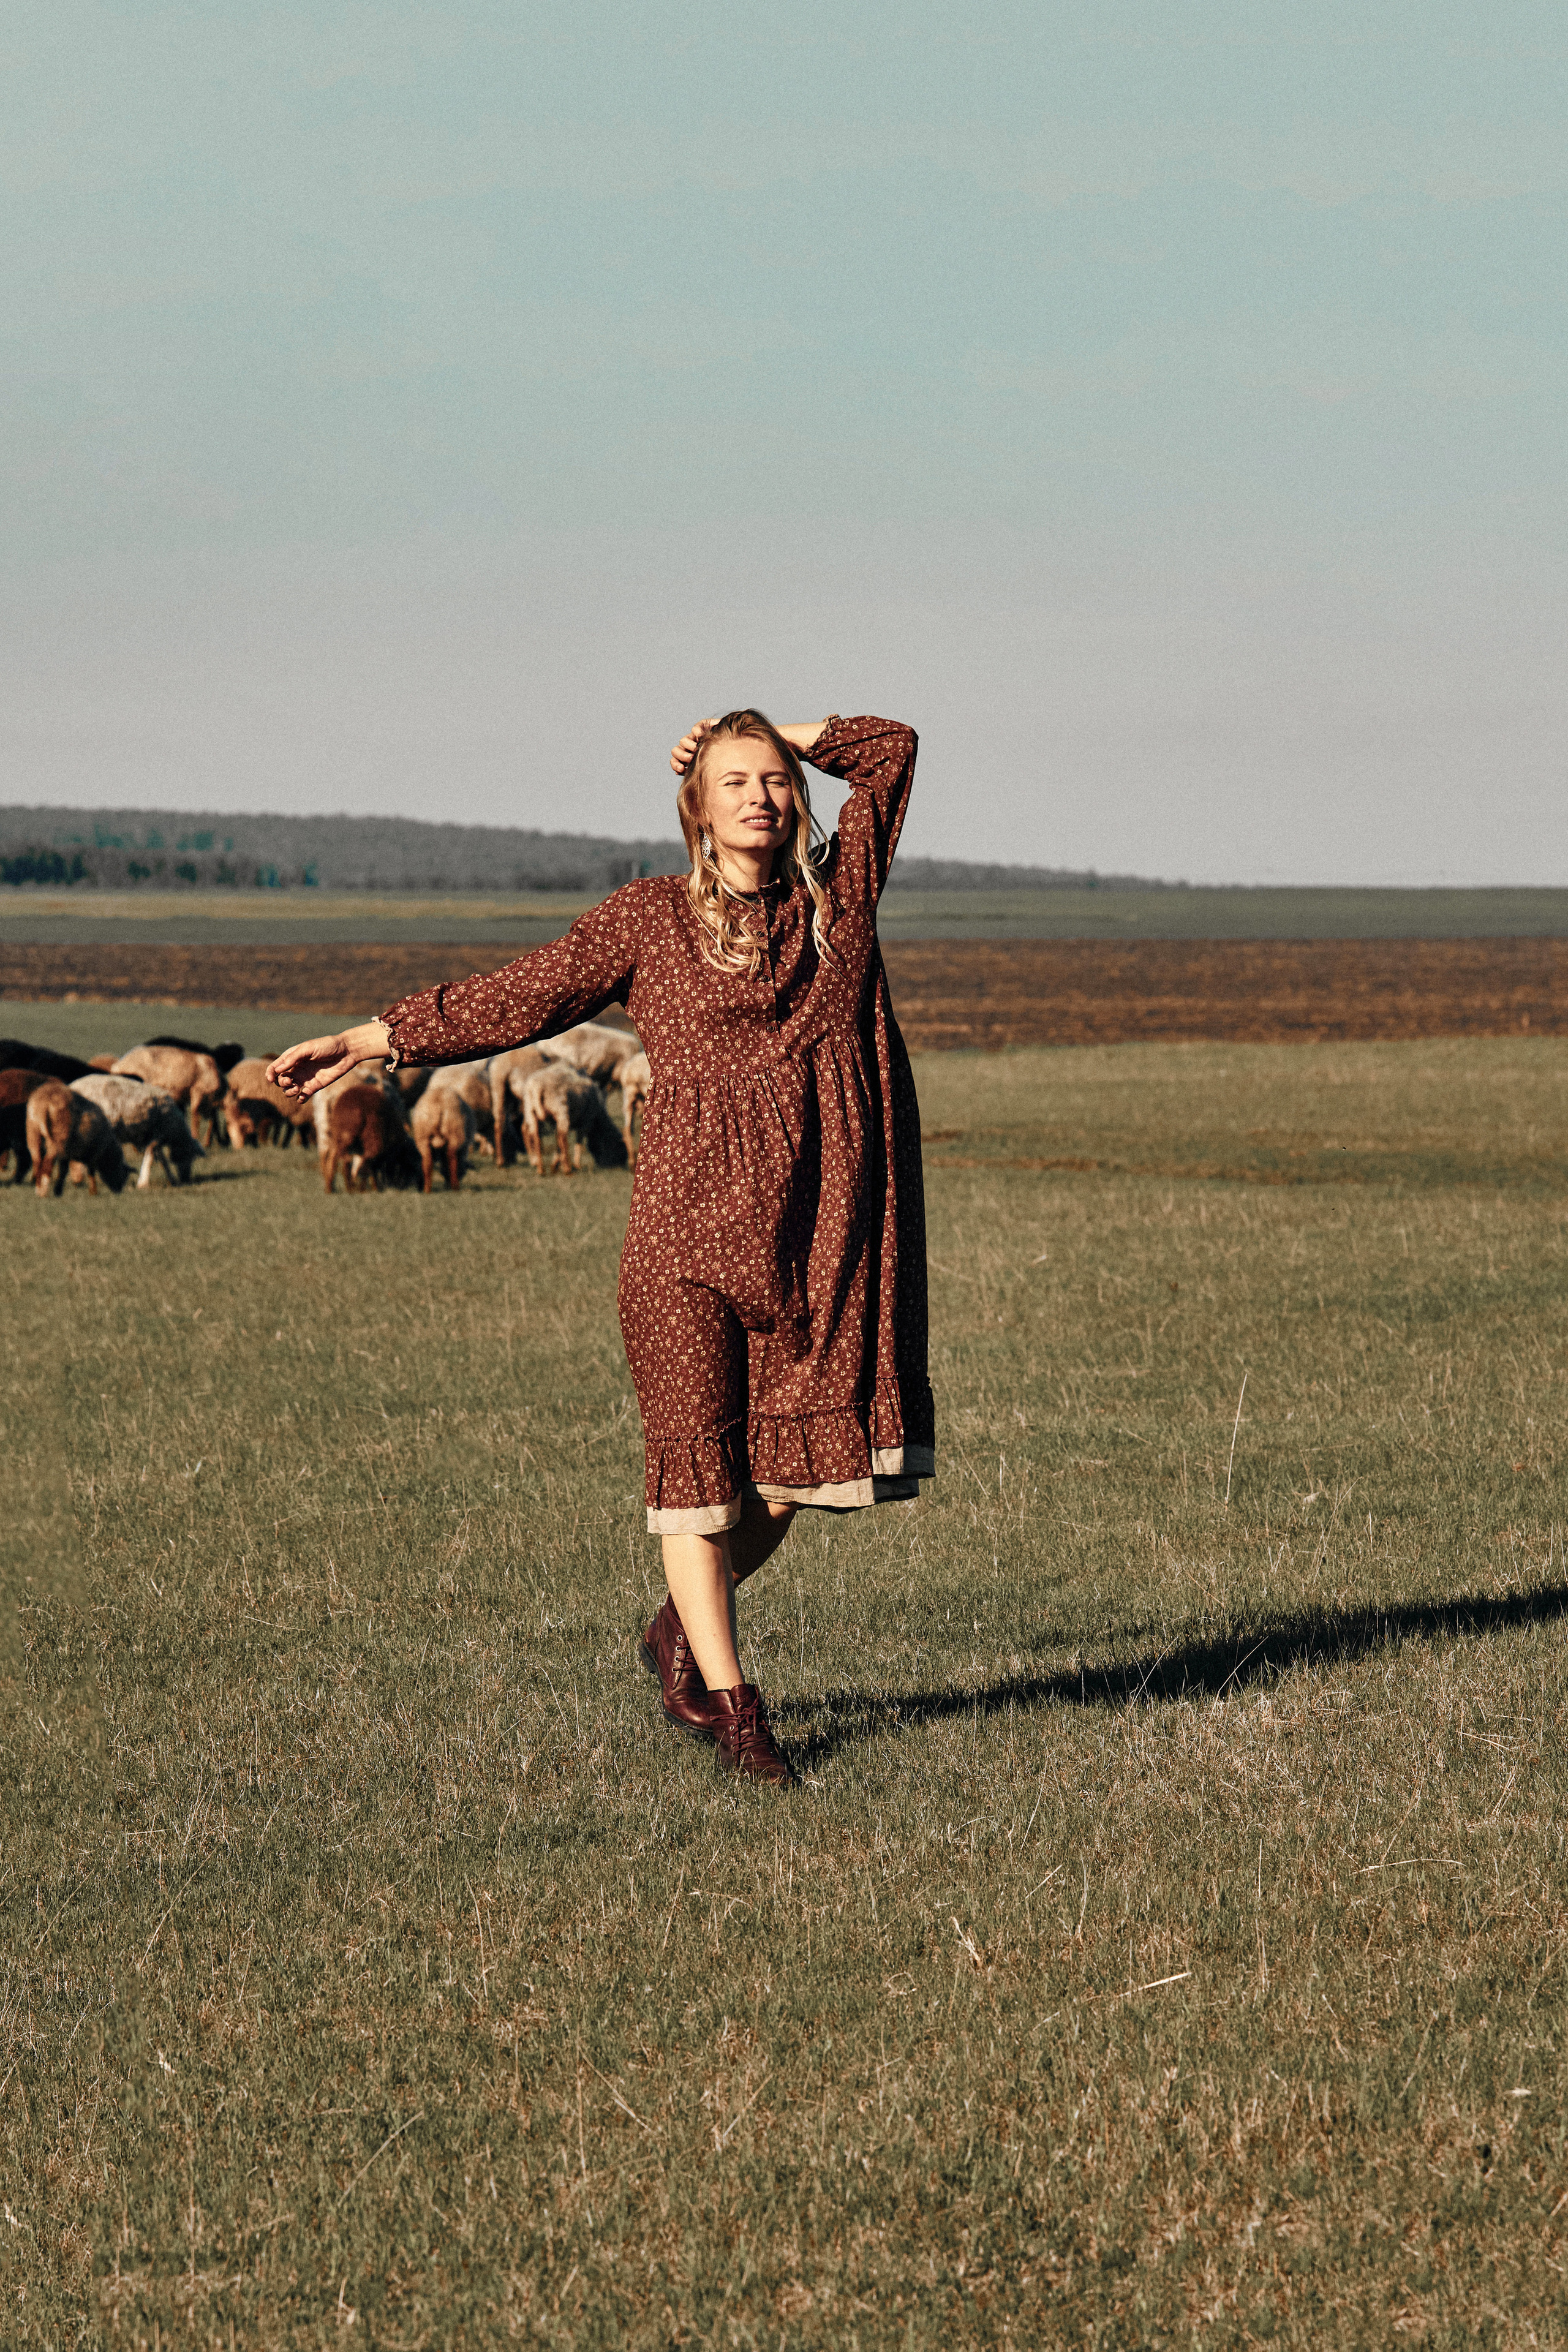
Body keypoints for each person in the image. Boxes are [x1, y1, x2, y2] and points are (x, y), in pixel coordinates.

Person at [268, 712, 934, 1787]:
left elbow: (891, 748)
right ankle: (739, 1716)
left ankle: (679, 1625)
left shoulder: (839, 900)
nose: (760, 796)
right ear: (696, 808)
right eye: (733, 780)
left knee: (796, 1477)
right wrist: (370, 1038)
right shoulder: (648, 920)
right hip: (680, 1233)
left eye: (774, 779)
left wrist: (760, 723)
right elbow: (522, 996)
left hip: (818, 1236)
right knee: (696, 1472)